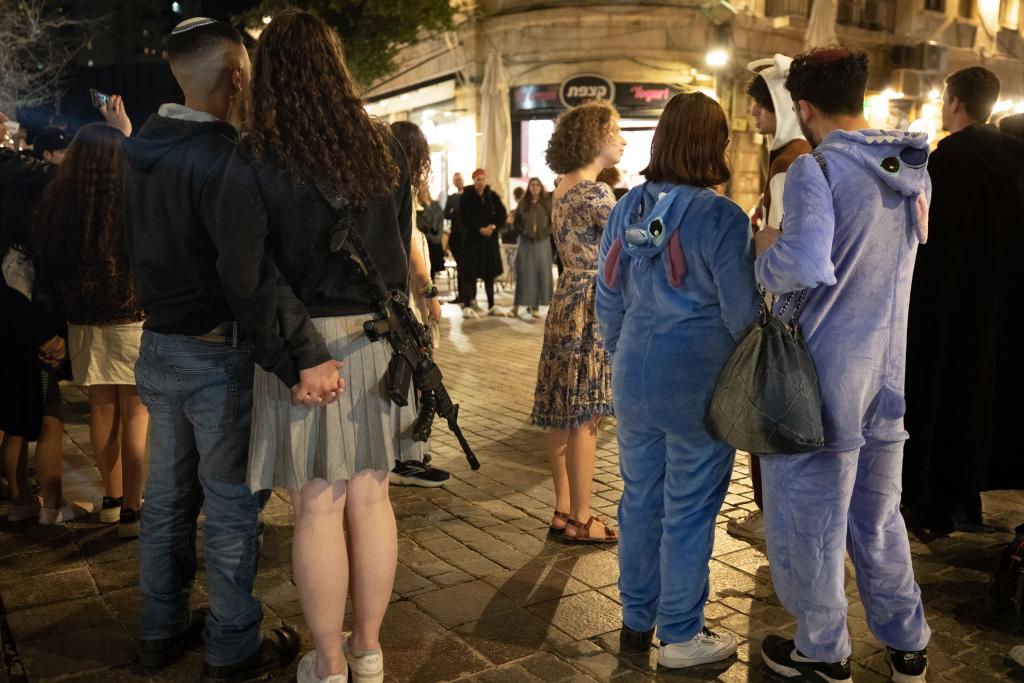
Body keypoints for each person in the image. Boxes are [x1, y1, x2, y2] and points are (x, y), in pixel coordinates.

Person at [220, 11, 422, 682]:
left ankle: (329, 663)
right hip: (379, 344)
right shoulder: (383, 146)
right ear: (337, 67)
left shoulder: (258, 154)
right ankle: (369, 652)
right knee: (372, 498)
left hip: (304, 342)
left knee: (316, 503)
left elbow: (245, 275)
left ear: (268, 74)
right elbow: (397, 255)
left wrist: (295, 358)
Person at [123, 17, 318, 679]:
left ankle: (160, 628)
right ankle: (232, 646)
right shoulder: (225, 158)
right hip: (216, 353)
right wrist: (287, 358)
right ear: (237, 76)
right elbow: (248, 273)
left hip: (159, 347)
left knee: (167, 500)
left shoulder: (142, 146)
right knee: (233, 507)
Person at [753, 47, 931, 682]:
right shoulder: (910, 167)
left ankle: (823, 650)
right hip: (888, 374)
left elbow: (803, 263)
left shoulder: (817, 169)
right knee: (879, 516)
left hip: (824, 380)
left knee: (813, 521)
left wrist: (764, 250)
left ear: (803, 107)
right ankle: (908, 643)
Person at [596, 92, 757, 668]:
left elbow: (607, 298)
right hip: (697, 382)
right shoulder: (722, 217)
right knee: (689, 507)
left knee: (639, 499)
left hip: (634, 375)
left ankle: (636, 620)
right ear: (716, 144)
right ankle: (683, 635)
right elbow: (742, 314)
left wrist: (622, 351)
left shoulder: (626, 208)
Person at [903, 67, 1024, 535]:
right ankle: (970, 498)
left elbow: (931, 243)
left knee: (944, 398)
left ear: (954, 102)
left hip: (952, 309)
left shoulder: (949, 163)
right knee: (984, 399)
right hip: (1003, 307)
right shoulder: (1014, 158)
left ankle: (940, 503)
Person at [33, 122, 148, 536]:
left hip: (82, 321)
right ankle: (133, 508)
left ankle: (112, 500)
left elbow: (48, 266)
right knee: (136, 413)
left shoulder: (60, 201)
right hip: (131, 317)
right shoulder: (130, 199)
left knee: (101, 409)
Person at [728, 53, 811, 544]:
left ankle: (772, 513)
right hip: (792, 309)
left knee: (769, 411)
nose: (753, 113)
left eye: (761, 104)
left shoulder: (788, 163)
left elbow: (778, 245)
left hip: (780, 309)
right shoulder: (794, 155)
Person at [531, 100, 622, 544]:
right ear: (595, 138)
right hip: (592, 300)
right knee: (587, 413)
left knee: (563, 410)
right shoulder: (597, 193)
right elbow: (628, 248)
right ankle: (583, 519)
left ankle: (563, 509)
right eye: (615, 131)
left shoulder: (563, 187)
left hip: (567, 296)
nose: (621, 140)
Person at [0, 147, 79, 525]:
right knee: (50, 418)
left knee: (15, 424)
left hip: (13, 350)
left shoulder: (9, 249)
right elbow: (22, 306)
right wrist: (48, 338)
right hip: (32, 352)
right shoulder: (22, 254)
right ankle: (51, 503)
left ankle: (22, 500)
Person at [385, 120, 451, 489]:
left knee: (405, 373)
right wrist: (431, 295)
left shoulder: (384, 186)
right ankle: (408, 458)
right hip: (409, 298)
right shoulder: (402, 191)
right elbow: (412, 254)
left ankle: (408, 454)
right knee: (417, 372)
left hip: (395, 295)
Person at [459, 168, 508, 317]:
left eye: (482, 179)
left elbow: (502, 214)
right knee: (470, 273)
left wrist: (492, 227)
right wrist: (479, 229)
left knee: (489, 273)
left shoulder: (492, 196)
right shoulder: (466, 196)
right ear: (474, 181)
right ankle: (467, 305)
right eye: (478, 179)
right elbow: (464, 217)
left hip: (489, 242)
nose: (480, 182)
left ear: (486, 180)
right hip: (472, 241)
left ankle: (491, 304)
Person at [511, 177, 553, 318]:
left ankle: (535, 306)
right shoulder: (523, 203)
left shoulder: (547, 203)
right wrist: (525, 233)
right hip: (526, 243)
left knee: (540, 273)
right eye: (532, 185)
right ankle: (516, 306)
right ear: (529, 187)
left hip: (542, 243)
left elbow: (553, 223)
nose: (534, 187)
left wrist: (542, 233)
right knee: (524, 274)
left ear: (541, 187)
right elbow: (516, 223)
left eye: (537, 185)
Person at [444, 172, 466, 304]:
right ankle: (461, 295)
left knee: (466, 266)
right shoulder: (451, 197)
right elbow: (446, 214)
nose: (458, 182)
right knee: (460, 266)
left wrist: (455, 212)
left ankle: (468, 296)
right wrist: (454, 213)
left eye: (459, 179)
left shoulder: (469, 195)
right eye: (456, 180)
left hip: (467, 236)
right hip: (456, 235)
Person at [418, 186, 446, 278]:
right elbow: (420, 224)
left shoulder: (436, 205)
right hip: (426, 239)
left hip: (436, 238)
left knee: (434, 266)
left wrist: (438, 237)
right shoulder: (419, 206)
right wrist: (430, 236)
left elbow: (440, 221)